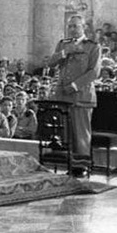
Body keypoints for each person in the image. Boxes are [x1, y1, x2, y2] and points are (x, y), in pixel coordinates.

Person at [47, 14, 100, 177]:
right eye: (69, 26)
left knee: (81, 133)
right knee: (66, 133)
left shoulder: (92, 46)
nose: (72, 29)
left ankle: (81, 166)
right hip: (63, 96)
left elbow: (94, 72)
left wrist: (74, 86)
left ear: (83, 27)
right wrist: (64, 53)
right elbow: (50, 63)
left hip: (81, 96)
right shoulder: (63, 45)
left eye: (75, 26)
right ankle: (69, 164)